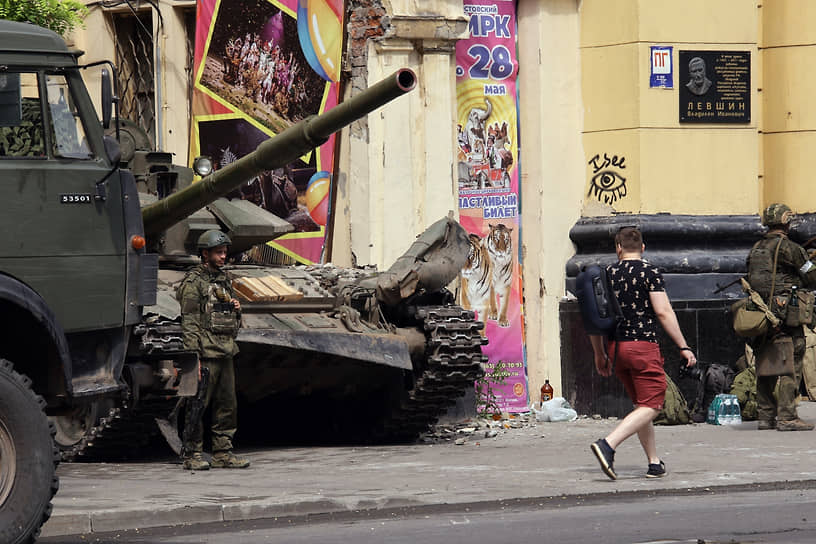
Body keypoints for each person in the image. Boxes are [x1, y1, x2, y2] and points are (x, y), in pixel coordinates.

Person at [589, 226, 697, 480]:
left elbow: (594, 317)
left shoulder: (606, 275)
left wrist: (599, 353)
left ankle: (654, 462)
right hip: (643, 346)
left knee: (641, 405)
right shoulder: (649, 272)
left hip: (617, 349)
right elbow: (663, 312)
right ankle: (608, 444)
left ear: (618, 248)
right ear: (643, 248)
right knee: (653, 404)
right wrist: (683, 345)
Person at [176, 229, 250, 470]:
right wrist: (192, 357)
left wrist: (235, 307)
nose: (223, 256)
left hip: (225, 349)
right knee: (197, 405)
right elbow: (190, 321)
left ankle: (222, 452)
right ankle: (192, 454)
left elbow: (222, 312)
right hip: (206, 352)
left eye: (225, 252)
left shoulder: (222, 279)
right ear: (205, 254)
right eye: (218, 252)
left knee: (227, 405)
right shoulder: (193, 282)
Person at [746, 203, 816, 432]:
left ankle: (766, 417)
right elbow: (811, 277)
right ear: (786, 221)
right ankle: (787, 416)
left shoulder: (757, 247)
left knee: (765, 360)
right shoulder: (789, 248)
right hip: (786, 312)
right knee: (792, 359)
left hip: (761, 312)